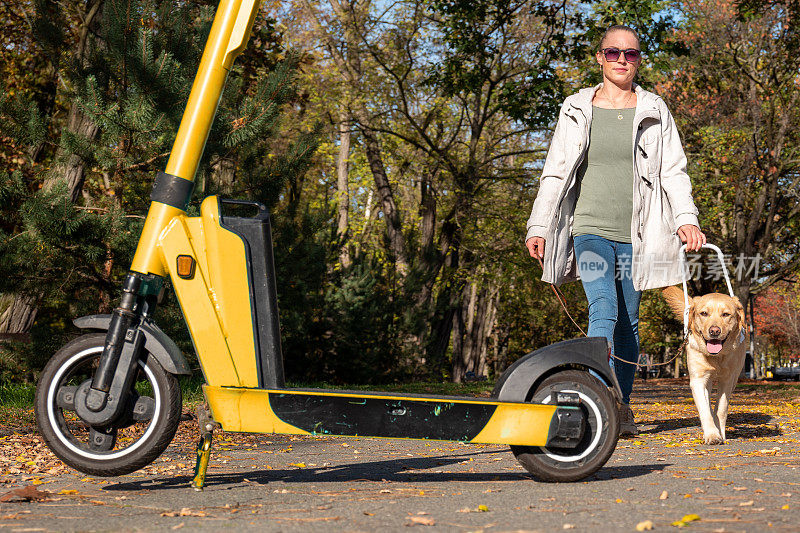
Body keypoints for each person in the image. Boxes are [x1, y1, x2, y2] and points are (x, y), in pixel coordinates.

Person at [524, 25, 706, 436]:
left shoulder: (655, 109)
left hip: (638, 235)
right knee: (602, 307)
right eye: (612, 52)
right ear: (600, 58)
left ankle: (621, 406)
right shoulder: (575, 107)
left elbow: (672, 171)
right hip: (588, 229)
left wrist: (686, 218)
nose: (622, 60)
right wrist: (539, 226)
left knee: (629, 325)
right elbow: (554, 173)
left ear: (639, 60)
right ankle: (593, 403)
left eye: (631, 54)